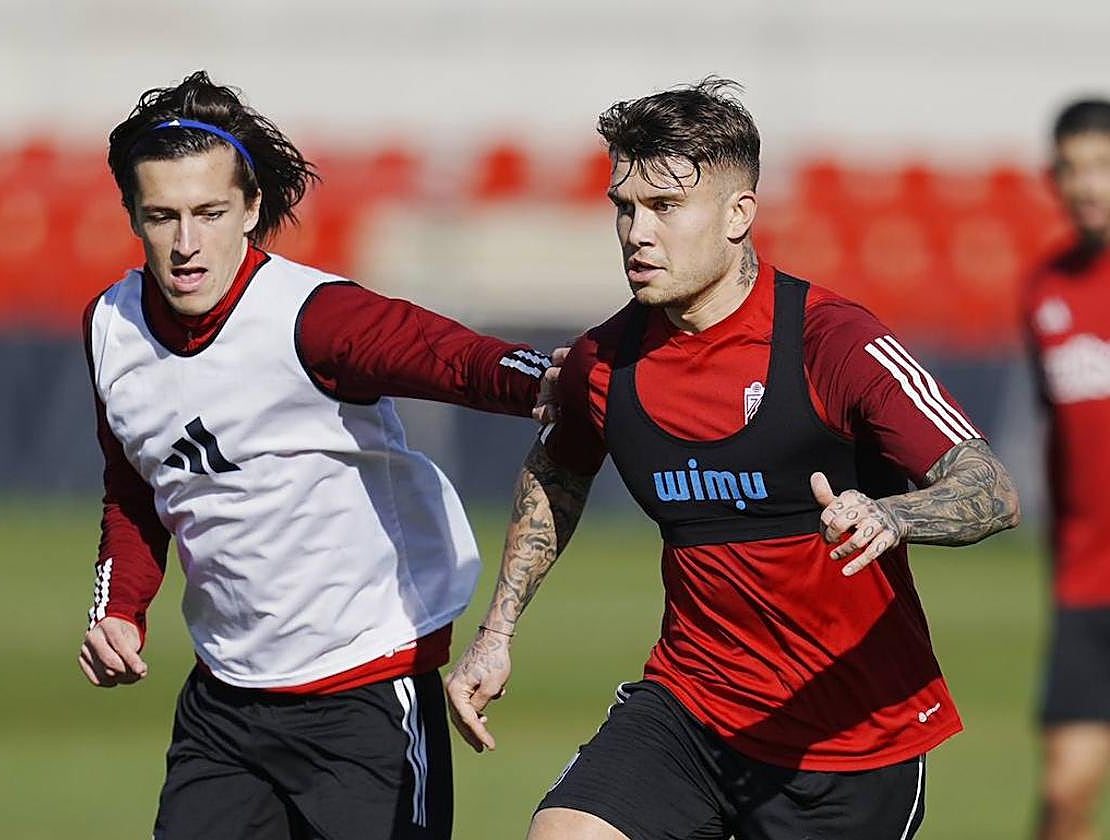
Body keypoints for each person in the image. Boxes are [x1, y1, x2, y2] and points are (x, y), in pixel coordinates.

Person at [446, 77, 1022, 840]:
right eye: (625, 207)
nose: (636, 233)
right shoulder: (602, 362)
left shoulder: (833, 342)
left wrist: (890, 513)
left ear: (737, 215)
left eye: (664, 207)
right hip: (692, 712)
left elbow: (991, 486)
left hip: (851, 743)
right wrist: (496, 633)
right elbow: (557, 474)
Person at [77, 70, 558, 840]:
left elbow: (450, 358)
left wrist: (546, 381)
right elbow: (135, 490)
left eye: (210, 212)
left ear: (251, 209)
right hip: (225, 705)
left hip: (362, 698)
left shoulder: (313, 317)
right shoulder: (111, 326)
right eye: (162, 216)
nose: (186, 242)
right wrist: (121, 609)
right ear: (133, 215)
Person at [1025, 97, 1110, 840]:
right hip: (1087, 582)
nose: (1086, 184)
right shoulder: (1046, 287)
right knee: (1064, 792)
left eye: (1102, 166)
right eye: (1072, 168)